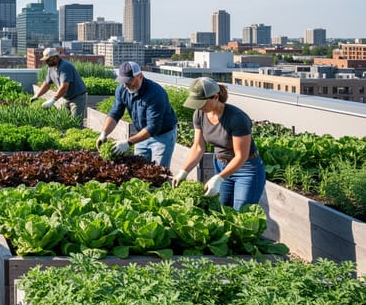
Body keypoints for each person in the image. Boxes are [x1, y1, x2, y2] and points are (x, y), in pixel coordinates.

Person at [173, 77, 266, 210]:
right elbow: (198, 146)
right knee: (221, 211)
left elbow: (241, 156)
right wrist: (184, 171)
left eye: (202, 102)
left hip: (246, 169)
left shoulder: (237, 118)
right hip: (221, 166)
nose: (199, 106)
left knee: (241, 214)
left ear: (215, 97)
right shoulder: (199, 114)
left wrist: (219, 178)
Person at [96, 61, 177, 167]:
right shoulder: (122, 89)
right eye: (123, 81)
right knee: (139, 169)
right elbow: (115, 113)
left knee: (159, 172)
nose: (126, 85)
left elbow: (153, 127)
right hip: (142, 134)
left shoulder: (155, 93)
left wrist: (128, 142)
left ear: (140, 76)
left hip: (162, 136)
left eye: (129, 81)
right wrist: (104, 133)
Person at [30, 47, 87, 121]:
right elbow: (46, 84)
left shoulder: (65, 67)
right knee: (65, 120)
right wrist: (37, 95)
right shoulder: (51, 68)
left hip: (77, 97)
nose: (46, 62)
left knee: (75, 121)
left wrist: (52, 100)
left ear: (55, 58)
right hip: (66, 97)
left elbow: (64, 87)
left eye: (47, 60)